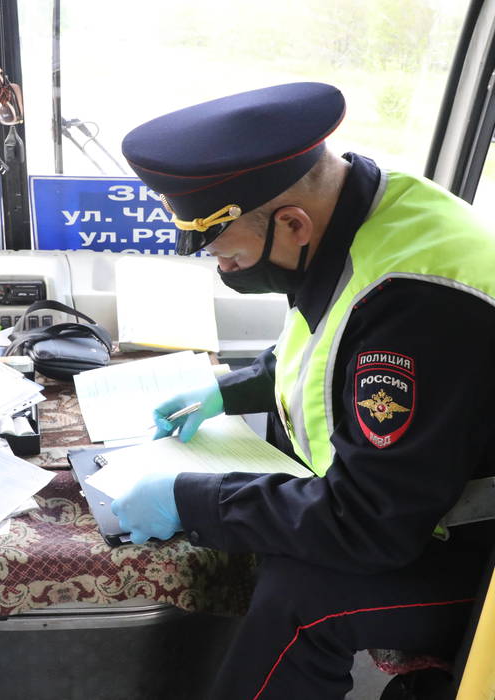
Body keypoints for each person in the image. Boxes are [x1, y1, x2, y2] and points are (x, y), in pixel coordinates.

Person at [114, 82, 495, 698]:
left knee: (301, 598)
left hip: (477, 553)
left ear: (291, 222)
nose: (219, 267)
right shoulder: (361, 210)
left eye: (219, 250)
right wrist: (229, 390)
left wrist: (193, 501)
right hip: (419, 501)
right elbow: (329, 348)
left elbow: (370, 524)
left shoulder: (416, 303)